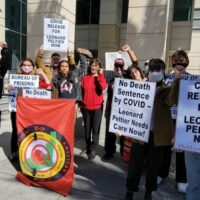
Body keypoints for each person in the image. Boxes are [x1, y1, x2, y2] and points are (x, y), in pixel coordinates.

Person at [124, 59, 174, 200]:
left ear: (163, 72)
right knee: (135, 164)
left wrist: (178, 80)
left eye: (158, 70)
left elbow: (172, 101)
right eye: (152, 70)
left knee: (153, 166)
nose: (155, 72)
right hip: (140, 133)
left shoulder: (167, 90)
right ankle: (130, 191)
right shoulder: (140, 87)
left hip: (157, 136)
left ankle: (149, 192)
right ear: (148, 72)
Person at [157, 50, 189, 193]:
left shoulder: (192, 79)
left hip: (184, 121)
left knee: (182, 151)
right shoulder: (167, 78)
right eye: (176, 61)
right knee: (166, 149)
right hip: (168, 119)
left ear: (186, 62)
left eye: (181, 61)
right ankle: (162, 173)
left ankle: (181, 179)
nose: (179, 63)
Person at [8, 58, 51, 160]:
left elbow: (49, 87)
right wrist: (8, 87)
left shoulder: (36, 79)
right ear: (21, 66)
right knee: (16, 130)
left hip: (31, 111)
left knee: (29, 132)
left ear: (32, 67)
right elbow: (11, 90)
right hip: (17, 110)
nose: (26, 67)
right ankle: (14, 151)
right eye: (24, 65)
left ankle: (28, 151)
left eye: (29, 65)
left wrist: (43, 75)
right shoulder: (16, 78)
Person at [103, 44, 138, 160]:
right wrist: (117, 54)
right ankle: (109, 152)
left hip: (124, 112)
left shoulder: (127, 76)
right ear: (114, 66)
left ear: (123, 67)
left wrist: (128, 52)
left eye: (120, 66)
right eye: (117, 66)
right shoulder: (110, 77)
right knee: (110, 134)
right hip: (111, 110)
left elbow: (135, 64)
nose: (118, 68)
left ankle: (124, 153)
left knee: (123, 134)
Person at [81, 58, 107, 160]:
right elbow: (82, 92)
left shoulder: (100, 77)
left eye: (96, 65)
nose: (93, 67)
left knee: (95, 129)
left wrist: (100, 76)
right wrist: (80, 104)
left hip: (97, 108)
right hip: (86, 107)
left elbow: (104, 87)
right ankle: (88, 147)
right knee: (87, 129)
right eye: (92, 65)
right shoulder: (85, 78)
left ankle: (93, 148)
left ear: (99, 67)